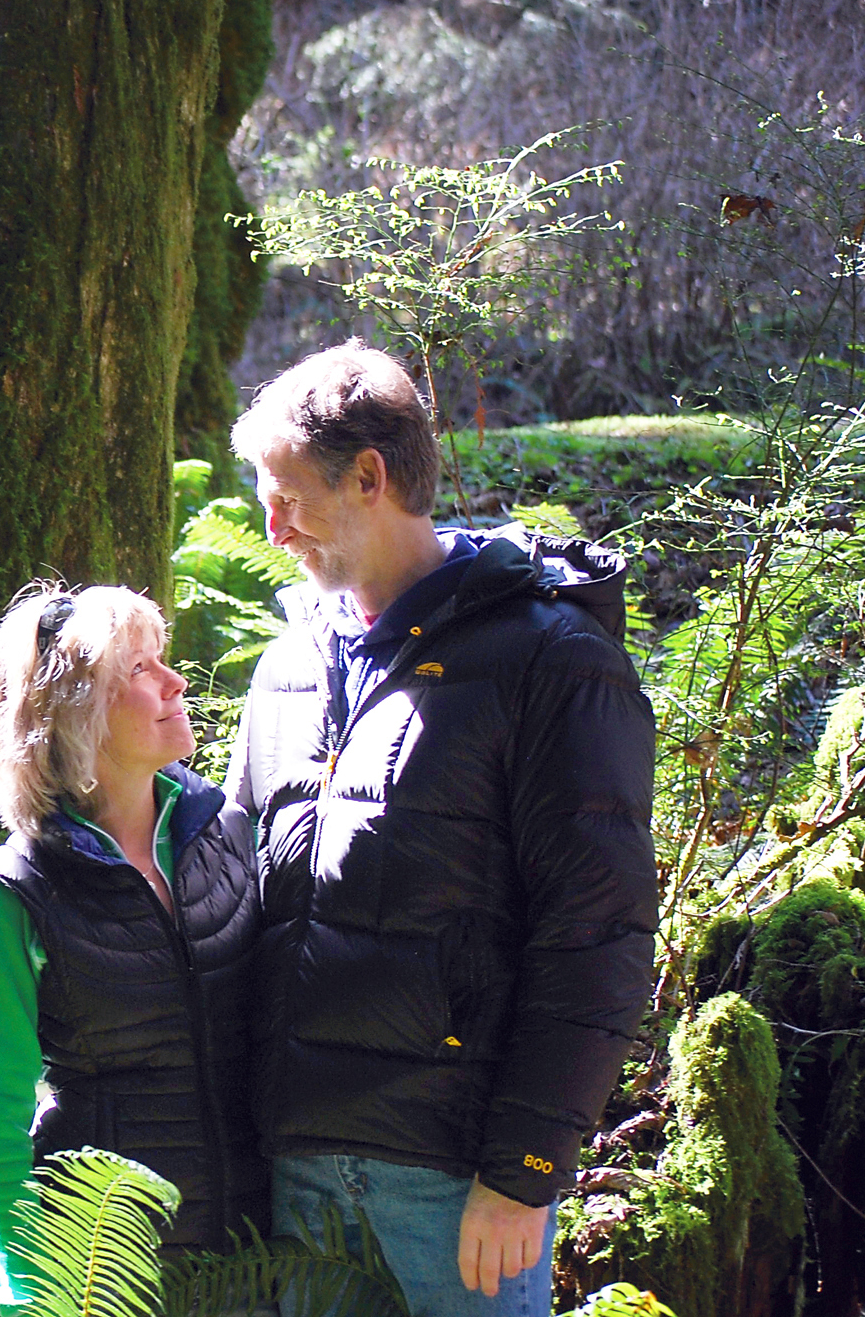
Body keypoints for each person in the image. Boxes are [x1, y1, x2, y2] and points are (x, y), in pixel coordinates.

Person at [226, 343, 657, 1317]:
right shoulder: (287, 667)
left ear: (370, 478)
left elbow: (597, 930)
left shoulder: (551, 661)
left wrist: (526, 1167)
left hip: (459, 1188)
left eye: (287, 497)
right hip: (297, 1170)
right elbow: (238, 899)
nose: (271, 526)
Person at [0, 584, 268, 1308]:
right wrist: (19, 1272)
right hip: (105, 1261)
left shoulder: (226, 833)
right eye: (138, 670)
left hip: (259, 1246)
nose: (174, 681)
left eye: (163, 660)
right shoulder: (15, 891)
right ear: (72, 714)